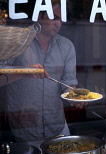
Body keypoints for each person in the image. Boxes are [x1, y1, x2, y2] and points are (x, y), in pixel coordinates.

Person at [1, 0, 86, 148]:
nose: (58, 24)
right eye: (54, 17)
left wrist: (73, 95)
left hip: (58, 126)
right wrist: (25, 72)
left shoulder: (67, 46)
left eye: (61, 18)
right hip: (25, 129)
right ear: (39, 15)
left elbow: (68, 81)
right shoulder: (17, 42)